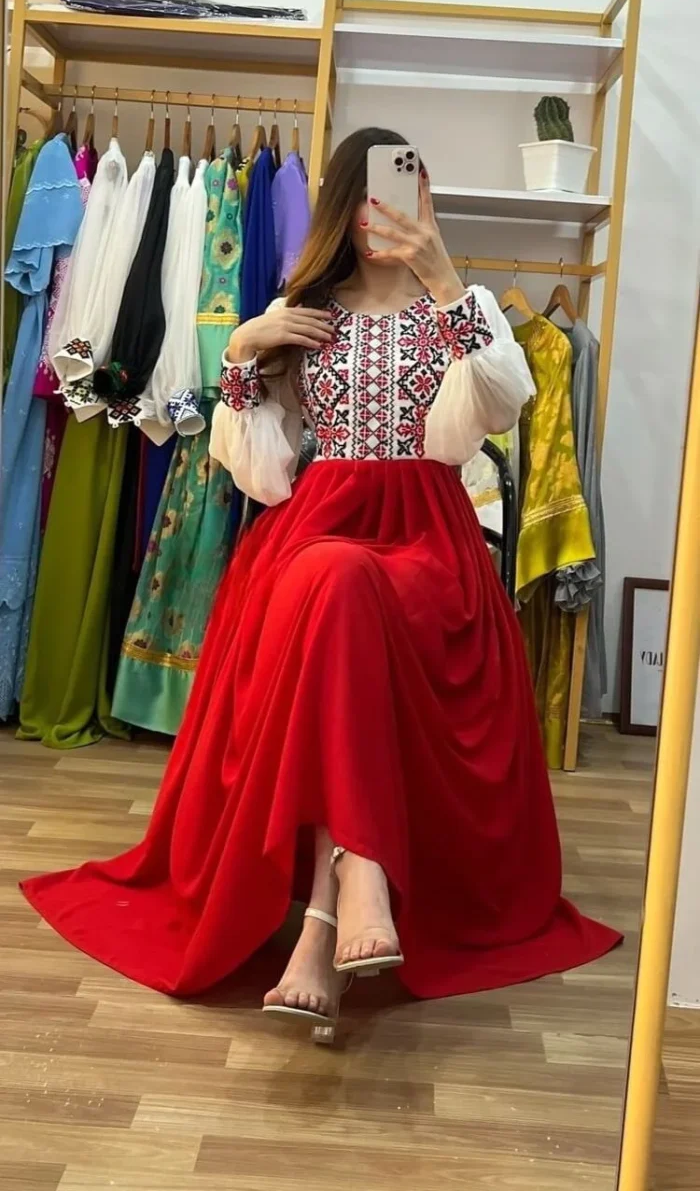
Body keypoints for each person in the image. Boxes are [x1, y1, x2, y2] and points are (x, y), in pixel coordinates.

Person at [22, 128, 621, 1043]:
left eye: (407, 190)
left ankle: (321, 921)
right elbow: (264, 474)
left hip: (426, 539)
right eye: (373, 194)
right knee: (335, 581)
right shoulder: (300, 315)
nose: (390, 211)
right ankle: (354, 878)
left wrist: (445, 279)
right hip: (316, 526)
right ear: (345, 203)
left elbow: (502, 404)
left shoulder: (457, 309)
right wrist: (243, 349)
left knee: (342, 589)